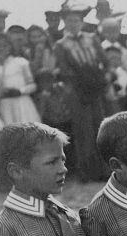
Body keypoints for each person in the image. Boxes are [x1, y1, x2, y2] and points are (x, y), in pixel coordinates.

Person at [53, 3, 108, 181]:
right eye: (69, 21)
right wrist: (80, 79)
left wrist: (99, 78)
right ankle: (86, 171)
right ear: (65, 23)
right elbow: (62, 69)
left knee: (99, 126)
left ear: (82, 22)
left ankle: (104, 170)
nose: (73, 24)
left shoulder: (92, 38)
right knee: (82, 129)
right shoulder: (61, 44)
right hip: (76, 90)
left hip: (95, 88)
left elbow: (104, 60)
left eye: (77, 20)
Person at [0, 34, 40, 125]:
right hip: (6, 105)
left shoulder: (21, 62)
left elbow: (33, 85)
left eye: (5, 45)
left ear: (10, 46)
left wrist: (20, 91)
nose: (2, 48)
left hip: (22, 103)